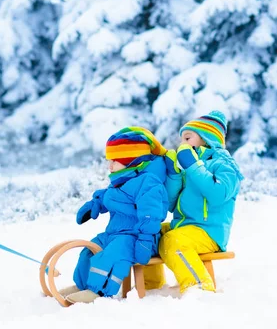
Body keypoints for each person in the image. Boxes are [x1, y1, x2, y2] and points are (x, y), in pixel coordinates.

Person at [63, 127, 169, 304]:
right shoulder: (119, 182)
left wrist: (145, 239)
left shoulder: (148, 183)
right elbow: (109, 197)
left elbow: (151, 214)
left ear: (131, 161)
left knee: (112, 255)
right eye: (109, 160)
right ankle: (82, 285)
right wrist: (95, 204)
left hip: (138, 238)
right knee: (90, 250)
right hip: (114, 234)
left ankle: (98, 291)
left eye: (115, 160)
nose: (109, 165)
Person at [146, 110, 244, 293]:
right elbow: (170, 205)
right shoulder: (190, 168)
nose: (182, 144)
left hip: (209, 232)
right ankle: (151, 286)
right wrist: (174, 175)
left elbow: (217, 195)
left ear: (207, 139)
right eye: (181, 140)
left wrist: (193, 165)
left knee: (173, 240)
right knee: (147, 230)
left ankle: (199, 288)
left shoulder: (225, 165)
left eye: (187, 138)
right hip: (184, 226)